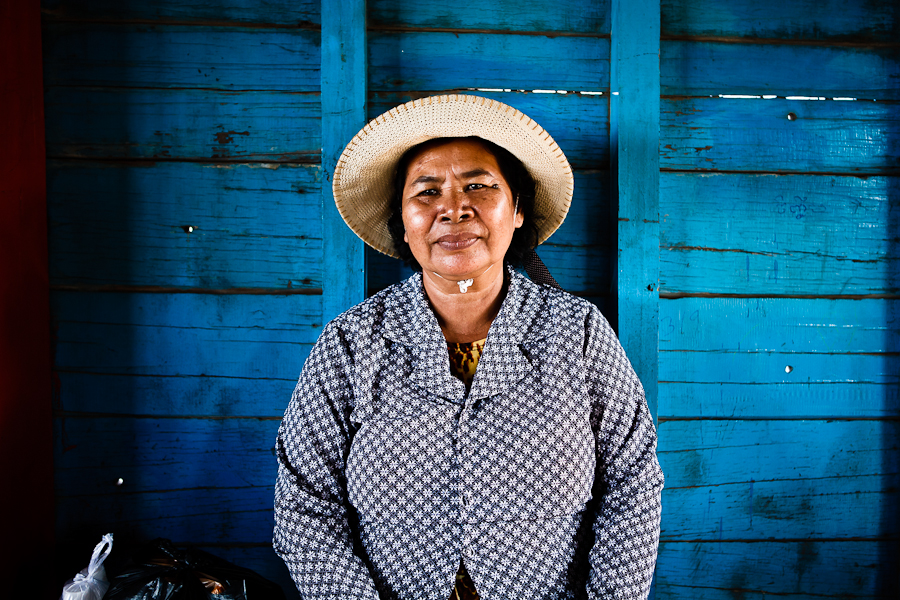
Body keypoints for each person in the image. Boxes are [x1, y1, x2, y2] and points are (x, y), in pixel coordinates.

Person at [273, 94, 663, 600]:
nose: (453, 209)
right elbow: (304, 509)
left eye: (478, 186)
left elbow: (632, 485)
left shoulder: (578, 333)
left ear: (518, 210)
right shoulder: (352, 343)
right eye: (427, 192)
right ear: (404, 223)